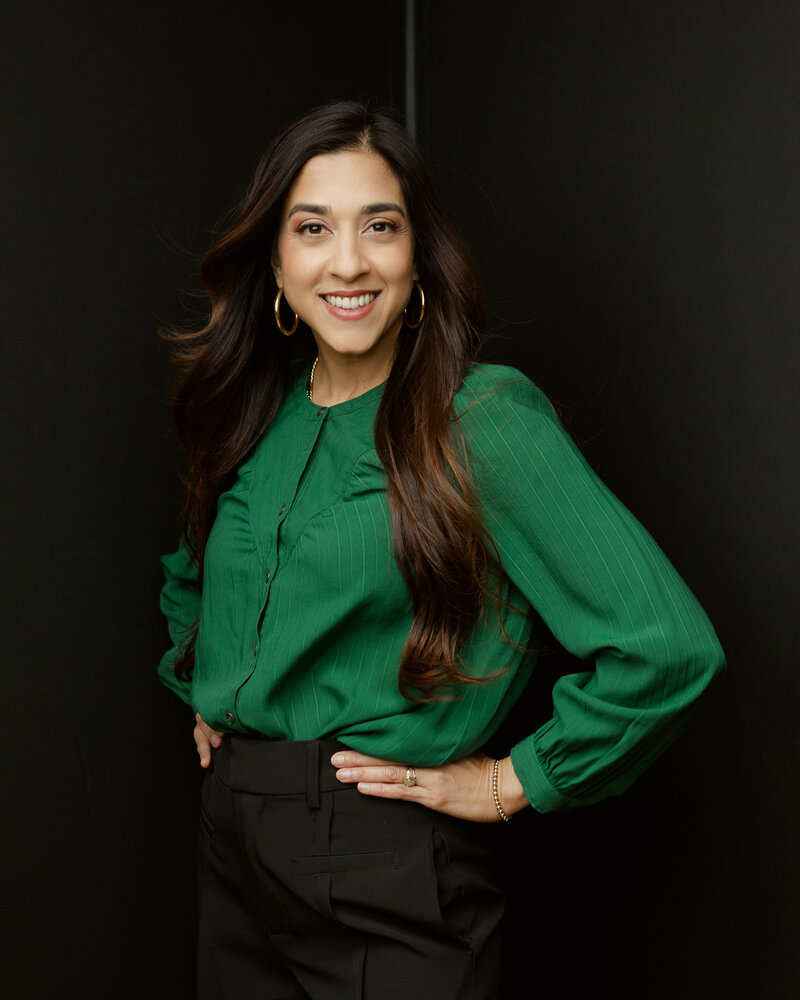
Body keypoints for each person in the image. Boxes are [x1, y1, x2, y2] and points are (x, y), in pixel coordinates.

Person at [158, 100, 725, 999]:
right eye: (313, 229)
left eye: (379, 226)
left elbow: (667, 648)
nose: (348, 261)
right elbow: (192, 575)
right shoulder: (251, 412)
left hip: (386, 863)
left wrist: (512, 782)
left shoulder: (480, 420)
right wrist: (210, 688)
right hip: (233, 845)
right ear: (275, 260)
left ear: (416, 253)